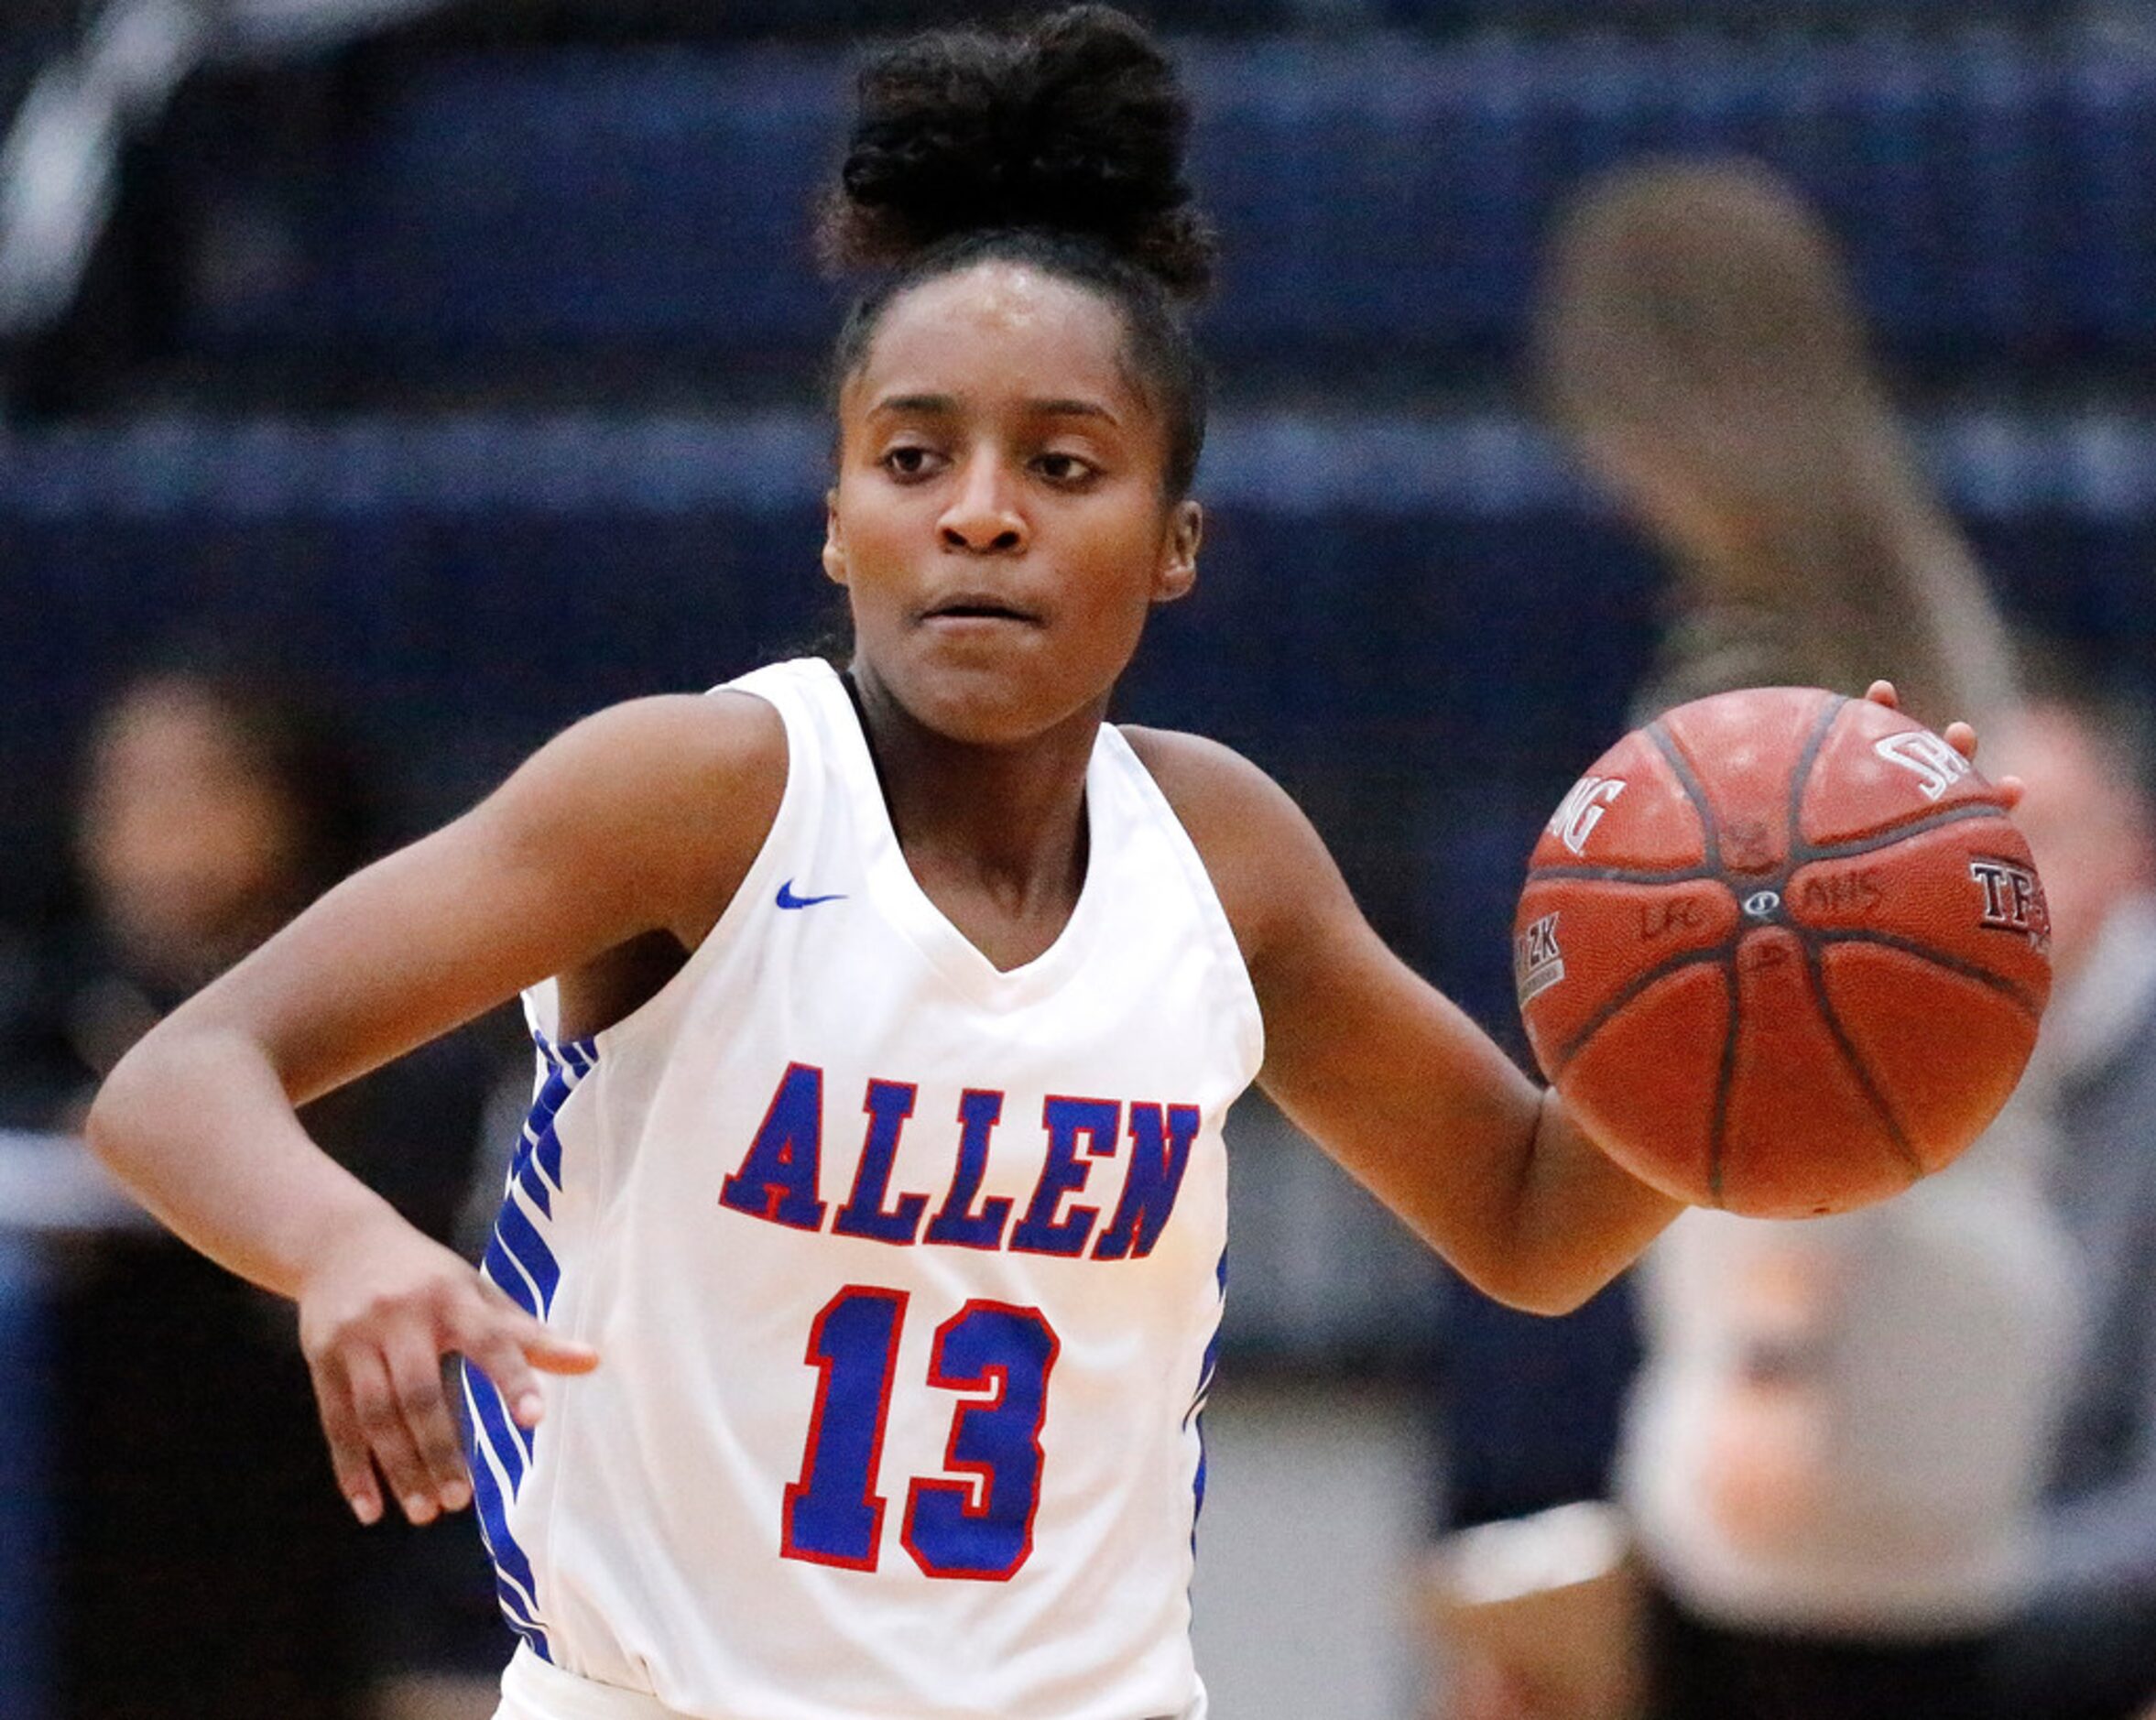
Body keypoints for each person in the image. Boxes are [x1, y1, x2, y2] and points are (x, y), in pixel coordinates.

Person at [78, 19, 1977, 1719]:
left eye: (1063, 465)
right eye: (915, 456)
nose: (979, 505)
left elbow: (1527, 1218)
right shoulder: (697, 794)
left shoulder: (1220, 854)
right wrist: (345, 1253)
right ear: (838, 520)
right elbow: (177, 1079)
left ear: (1176, 543)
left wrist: (1817, 944)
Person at [1519, 158, 2077, 1720]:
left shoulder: (1748, 685)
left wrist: (1766, 1356)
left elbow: (1768, 1036)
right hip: (1974, 1291)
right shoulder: (1925, 592)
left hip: (1814, 1334)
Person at [0, 661, 508, 1720]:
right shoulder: (52, 990)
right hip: (98, 1455)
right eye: (126, 794)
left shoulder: (404, 1008)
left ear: (294, 804)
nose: (158, 831)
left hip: (335, 1485)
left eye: (201, 791)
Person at [1986, 673, 2156, 1720]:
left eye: (2035, 836)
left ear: (2132, 856)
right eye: (1962, 848)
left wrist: (1905, 1624)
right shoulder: (1877, 1059)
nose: (1992, 887)